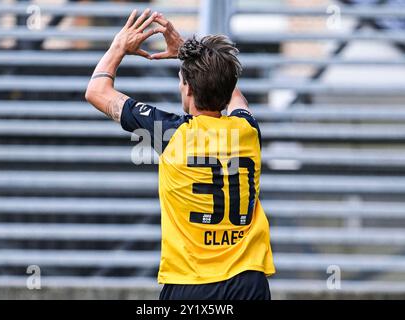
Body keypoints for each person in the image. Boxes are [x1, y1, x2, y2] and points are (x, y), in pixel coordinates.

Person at [85, 8, 275, 300]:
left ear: (187, 89)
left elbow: (97, 90)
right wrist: (191, 55)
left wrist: (119, 45)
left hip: (191, 284)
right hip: (248, 282)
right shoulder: (248, 131)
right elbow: (232, 92)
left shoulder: (170, 134)